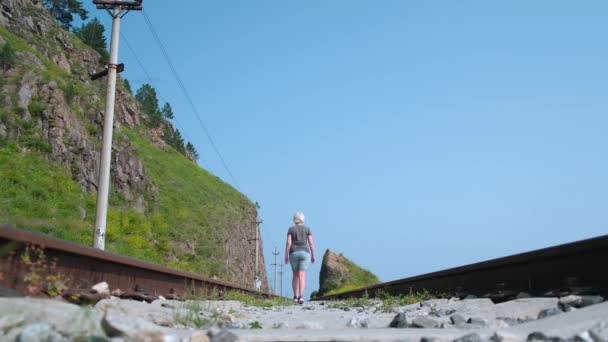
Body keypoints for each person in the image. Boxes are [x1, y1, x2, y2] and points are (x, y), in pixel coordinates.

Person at [284, 211, 315, 304]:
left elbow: (288, 243)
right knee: (302, 275)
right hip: (305, 253)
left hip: (293, 253)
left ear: (294, 220)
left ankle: (295, 297)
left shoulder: (291, 229)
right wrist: (313, 255)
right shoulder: (307, 229)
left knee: (295, 275)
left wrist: (286, 255)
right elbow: (311, 243)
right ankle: (301, 297)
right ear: (302, 219)